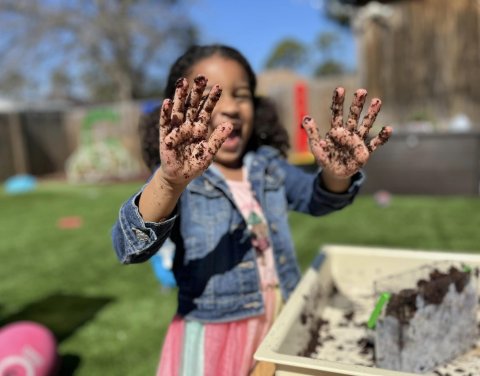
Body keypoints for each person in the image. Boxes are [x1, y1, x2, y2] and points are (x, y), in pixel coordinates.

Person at [111, 44, 392, 376]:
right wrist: (170, 183)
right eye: (212, 97)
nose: (231, 107)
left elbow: (317, 199)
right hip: (214, 337)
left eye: (241, 94)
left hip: (278, 324)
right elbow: (129, 246)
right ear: (181, 109)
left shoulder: (268, 166)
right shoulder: (182, 180)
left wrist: (334, 174)